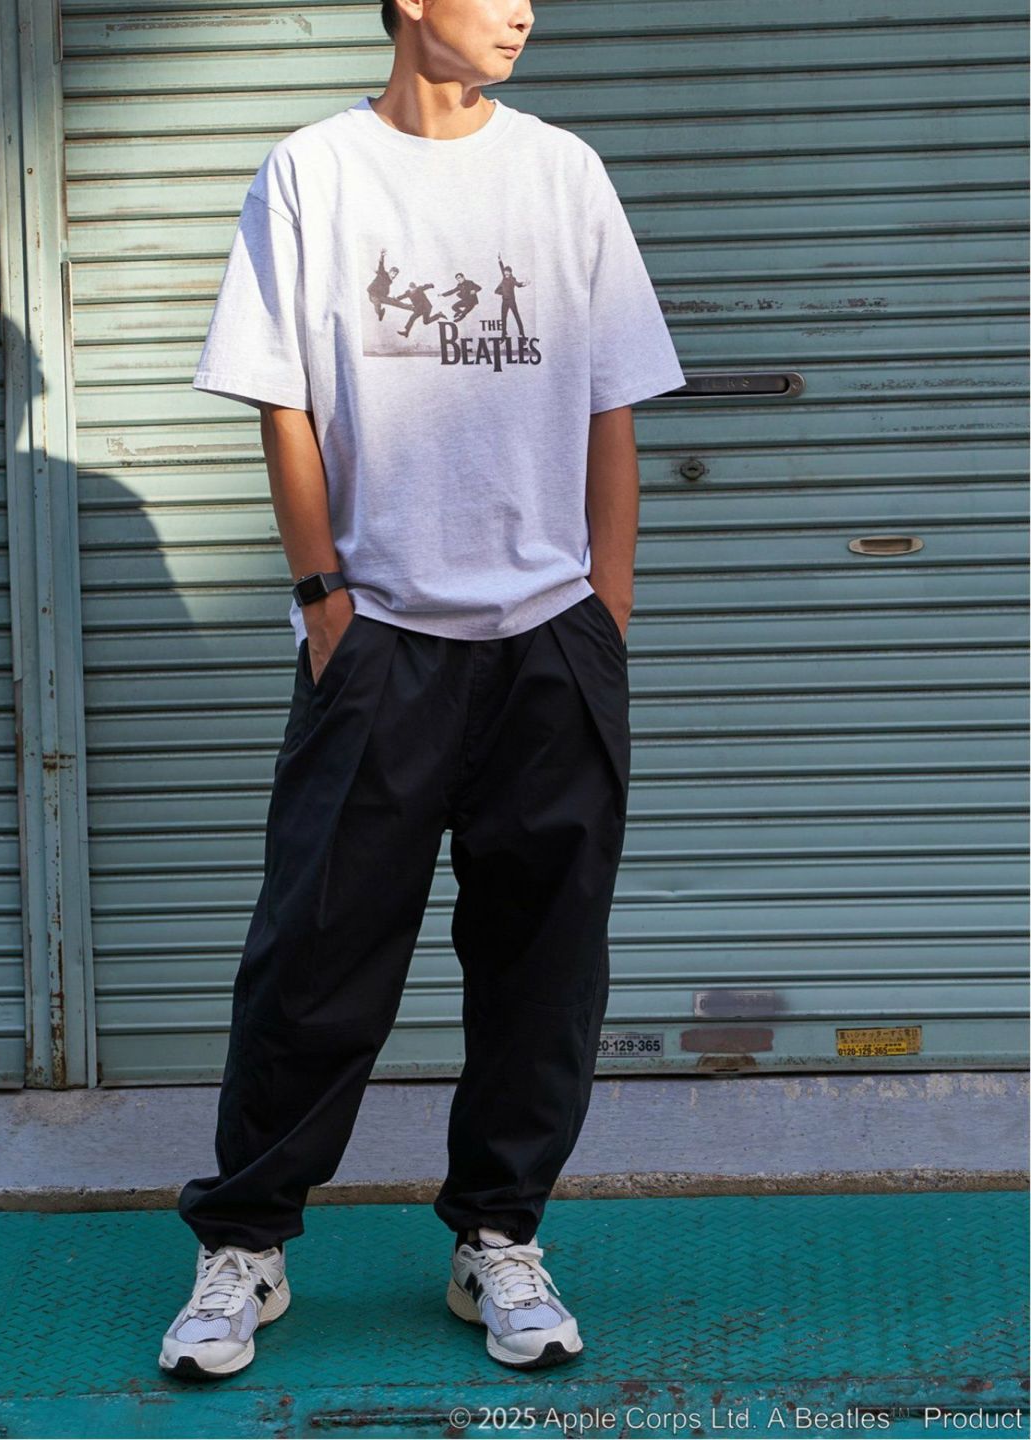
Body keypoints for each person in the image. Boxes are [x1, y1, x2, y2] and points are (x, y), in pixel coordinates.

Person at [159, 0, 685, 1381]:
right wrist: (322, 594)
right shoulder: (314, 172)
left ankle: (499, 1237)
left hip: (551, 641)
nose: (522, 9)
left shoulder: (561, 172)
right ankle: (245, 1244)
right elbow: (281, 400)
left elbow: (612, 402)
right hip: (381, 635)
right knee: (315, 955)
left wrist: (607, 610)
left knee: (543, 966)